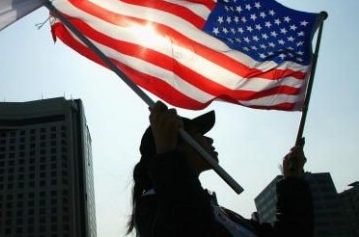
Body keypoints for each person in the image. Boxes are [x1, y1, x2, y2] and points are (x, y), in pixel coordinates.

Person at [127, 101, 313, 237]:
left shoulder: (218, 212)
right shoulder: (154, 208)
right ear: (175, 144)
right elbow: (188, 229)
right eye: (198, 134)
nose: (210, 140)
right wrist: (168, 158)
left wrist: (292, 181)